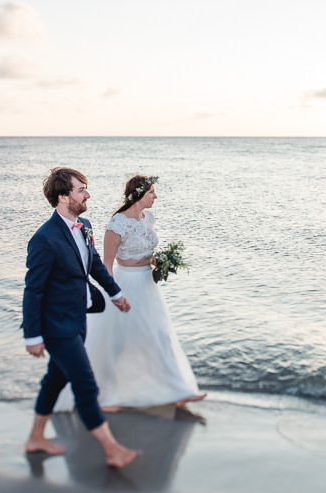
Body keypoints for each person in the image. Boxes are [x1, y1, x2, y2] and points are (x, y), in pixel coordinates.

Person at [54, 174, 205, 413]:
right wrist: (113, 294)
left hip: (148, 286)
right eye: (151, 192)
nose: (156, 196)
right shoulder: (118, 223)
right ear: (139, 195)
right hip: (126, 284)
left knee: (160, 335)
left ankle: (178, 391)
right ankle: (106, 396)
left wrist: (162, 262)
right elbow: (106, 263)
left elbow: (145, 253)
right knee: (118, 340)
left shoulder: (149, 218)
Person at [22, 167, 139, 468]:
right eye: (81, 189)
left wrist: (115, 294)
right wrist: (33, 336)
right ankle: (111, 449)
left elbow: (95, 265)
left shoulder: (83, 225)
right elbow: (33, 291)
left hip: (78, 319)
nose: (88, 194)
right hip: (56, 326)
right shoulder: (44, 239)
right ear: (63, 197)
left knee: (54, 379)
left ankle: (36, 437)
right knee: (86, 384)